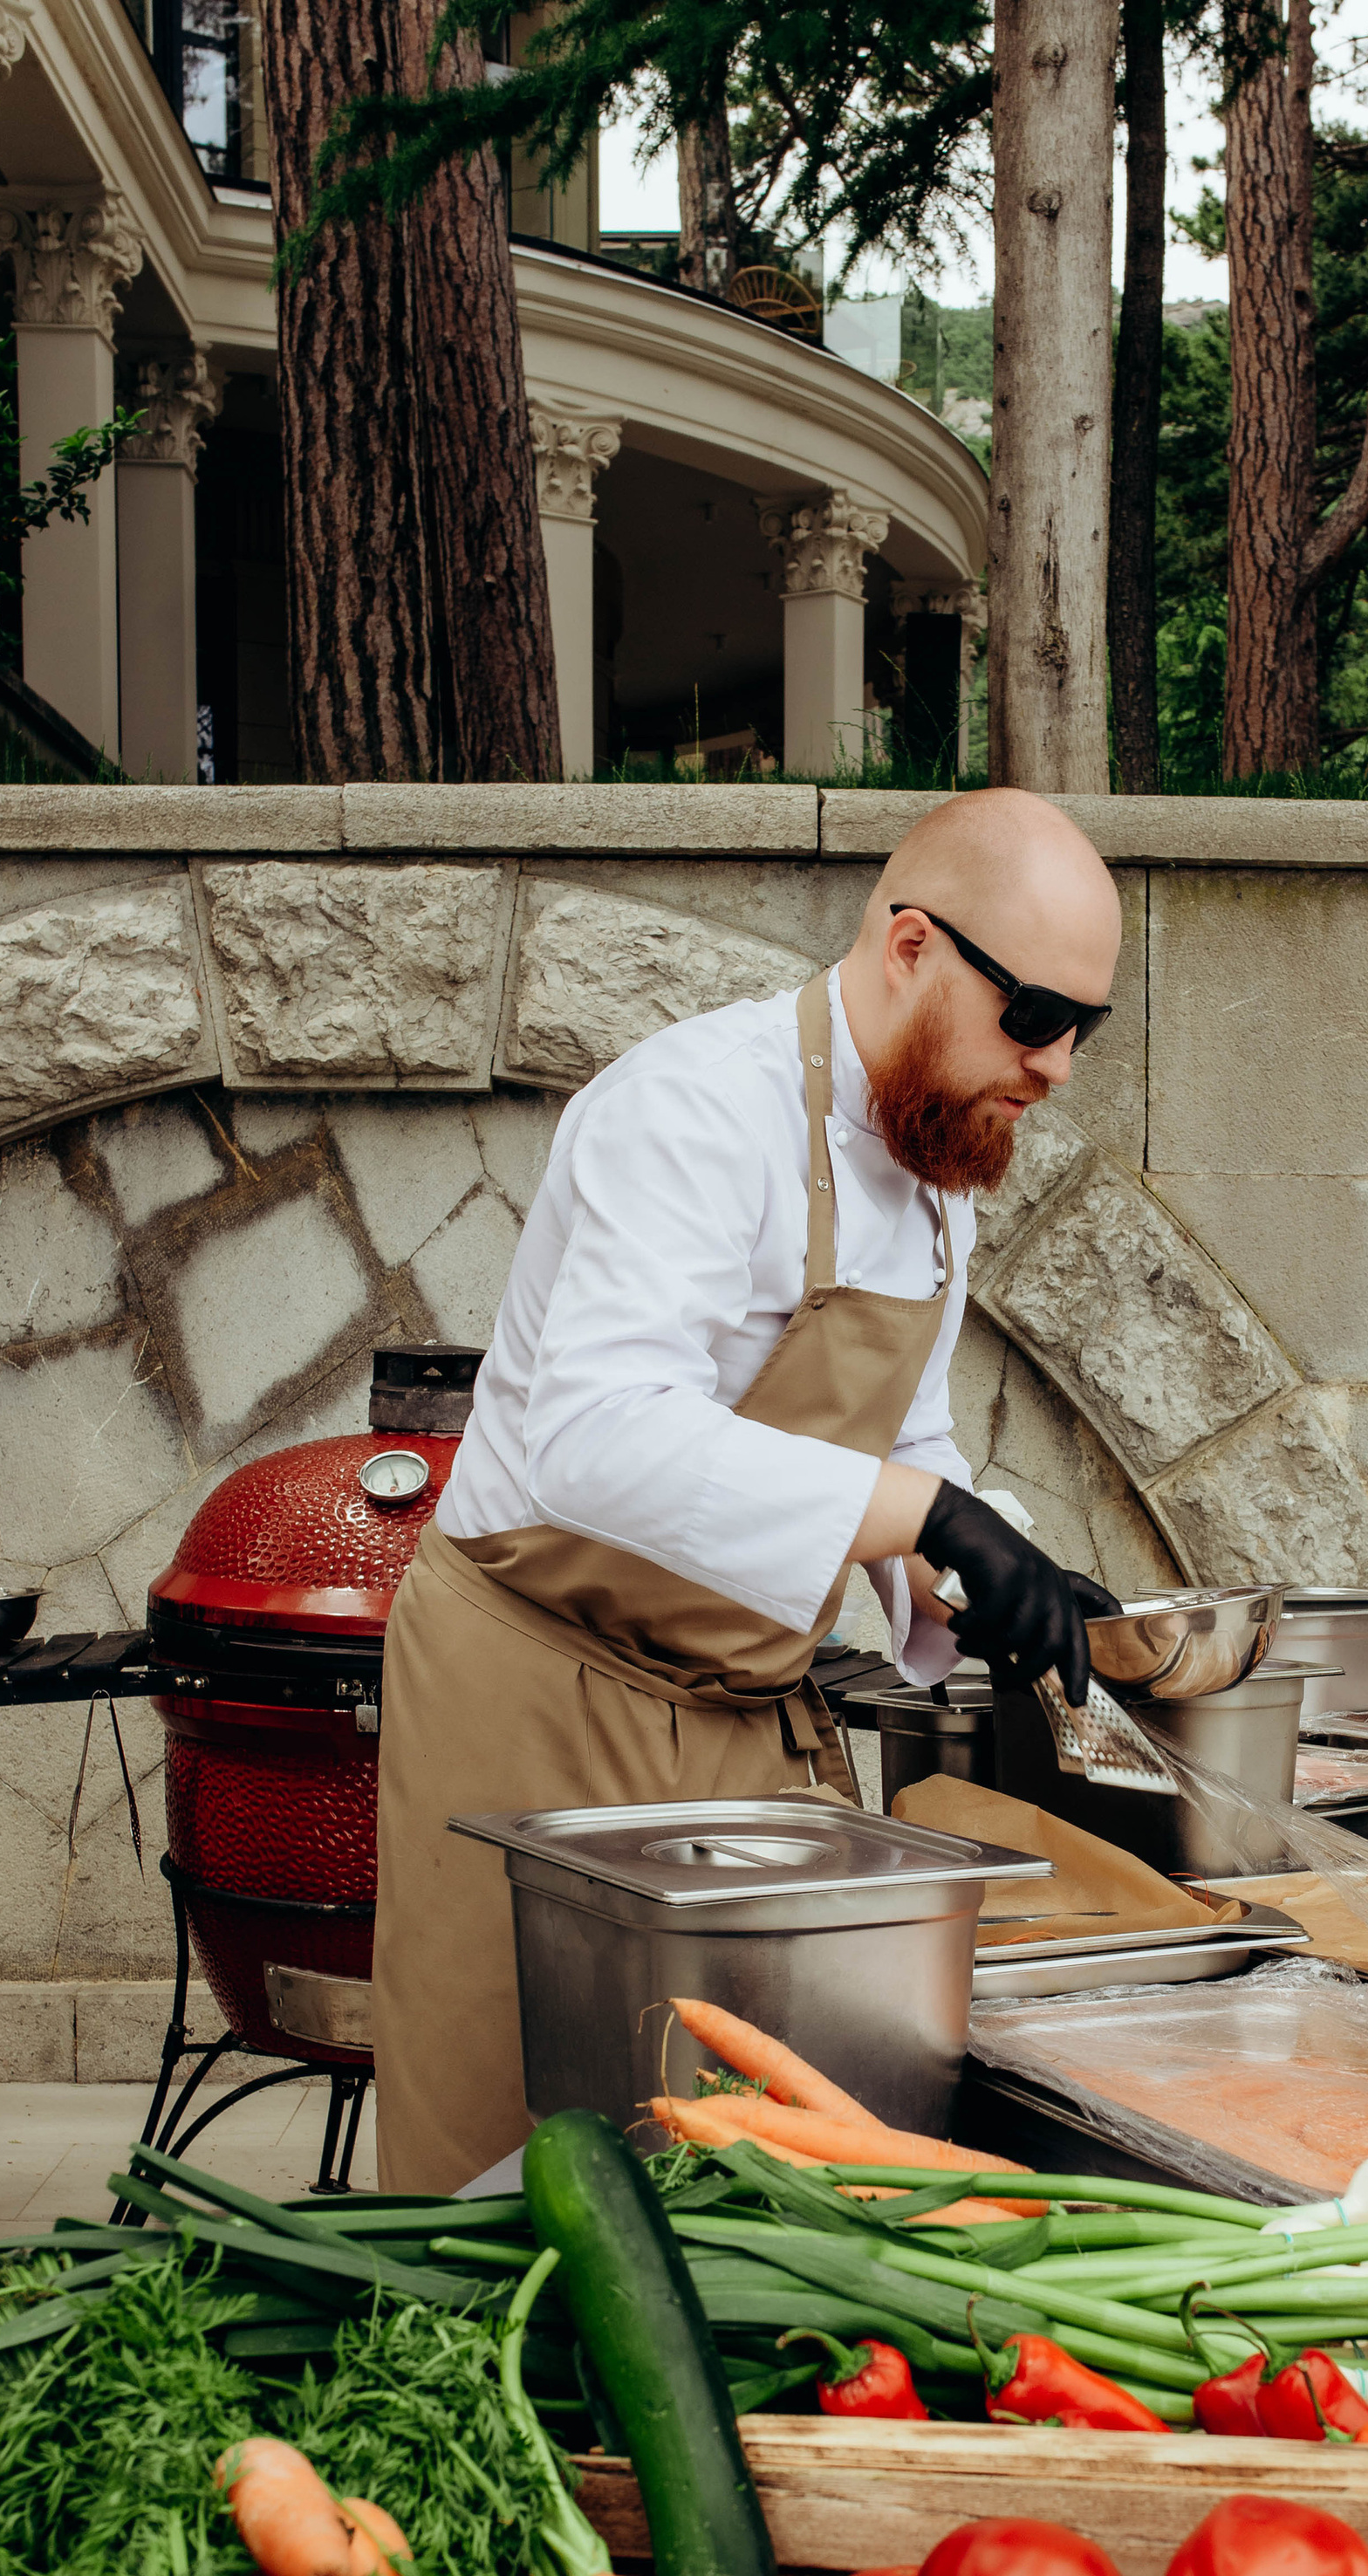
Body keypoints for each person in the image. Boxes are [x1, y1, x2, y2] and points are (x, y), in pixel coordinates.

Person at [371, 785, 1125, 2191]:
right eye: (1035, 1015)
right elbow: (598, 1432)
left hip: (737, 1719)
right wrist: (921, 1518)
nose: (1060, 1066)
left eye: (1089, 1027)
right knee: (504, 2158)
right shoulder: (691, 1113)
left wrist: (978, 1571)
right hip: (533, 1699)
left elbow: (910, 1431)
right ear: (911, 945)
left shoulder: (936, 1161)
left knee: (746, 2174)